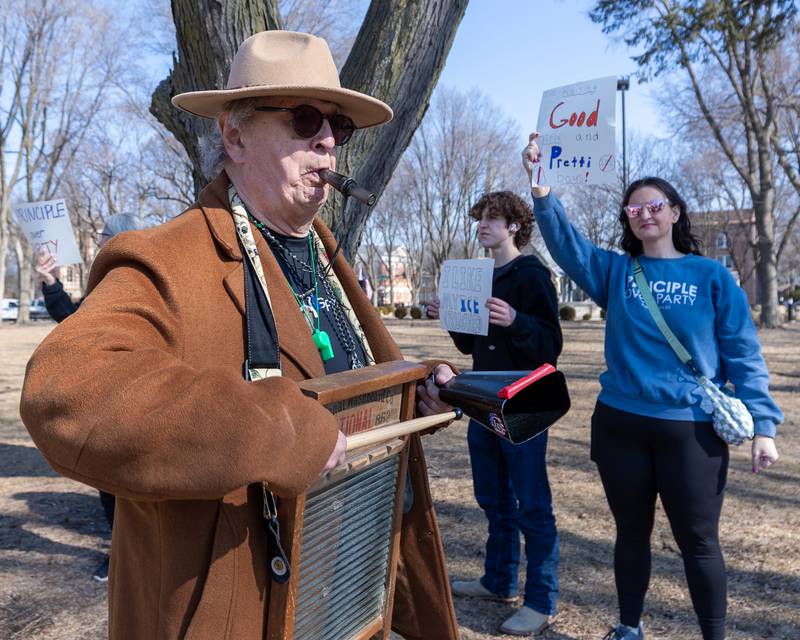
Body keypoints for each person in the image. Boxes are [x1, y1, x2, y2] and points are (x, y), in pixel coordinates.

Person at [21, 31, 459, 639]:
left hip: (347, 598)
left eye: (339, 127)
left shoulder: (327, 259)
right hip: (237, 609)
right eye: (305, 119)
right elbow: (66, 391)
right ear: (234, 134)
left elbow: (346, 383)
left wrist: (417, 391)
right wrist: (274, 430)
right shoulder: (165, 259)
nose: (328, 140)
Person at [521, 134, 782, 640]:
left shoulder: (712, 276)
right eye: (634, 209)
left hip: (691, 431)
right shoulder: (617, 271)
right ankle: (628, 626)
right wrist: (541, 190)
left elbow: (743, 353)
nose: (644, 214)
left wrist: (764, 425)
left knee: (699, 541)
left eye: (654, 206)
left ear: (675, 213)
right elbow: (568, 246)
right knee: (631, 535)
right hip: (621, 425)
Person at [427, 191, 562, 636]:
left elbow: (550, 346)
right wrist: (449, 314)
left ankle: (540, 601)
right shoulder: (478, 274)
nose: (483, 225)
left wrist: (517, 321)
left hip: (523, 404)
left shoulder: (532, 274)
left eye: (493, 219)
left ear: (514, 226)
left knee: (531, 503)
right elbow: (469, 345)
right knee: (492, 497)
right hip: (482, 399)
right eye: (480, 218)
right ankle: (498, 580)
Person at [33, 213, 146, 582]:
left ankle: (136, 561)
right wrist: (50, 283)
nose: (97, 243)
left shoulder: (137, 277)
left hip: (136, 402)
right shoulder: (104, 281)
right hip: (107, 404)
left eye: (101, 237)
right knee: (110, 486)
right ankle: (120, 556)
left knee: (133, 487)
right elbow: (74, 321)